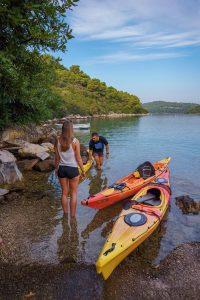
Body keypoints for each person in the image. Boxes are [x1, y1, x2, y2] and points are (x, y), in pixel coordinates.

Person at [54, 120, 85, 217]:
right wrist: (83, 170)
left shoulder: (57, 141)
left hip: (62, 169)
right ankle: (72, 216)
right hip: (72, 170)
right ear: (71, 129)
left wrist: (56, 169)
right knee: (73, 194)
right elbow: (78, 158)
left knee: (64, 193)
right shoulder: (75, 141)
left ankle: (65, 214)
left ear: (62, 129)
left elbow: (57, 158)